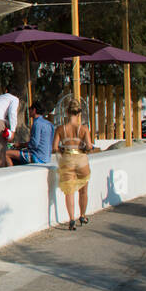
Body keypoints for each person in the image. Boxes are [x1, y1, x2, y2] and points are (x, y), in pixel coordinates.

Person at [53, 99, 94, 231]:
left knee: (69, 191)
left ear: (66, 112)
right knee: (83, 190)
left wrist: (63, 150)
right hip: (81, 159)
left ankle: (71, 219)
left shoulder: (60, 129)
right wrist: (85, 149)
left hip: (67, 160)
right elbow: (89, 146)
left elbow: (54, 147)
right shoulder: (83, 129)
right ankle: (82, 215)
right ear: (79, 113)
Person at [6, 100, 54, 166]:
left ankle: (10, 173)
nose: (29, 111)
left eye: (30, 109)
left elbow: (34, 144)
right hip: (47, 158)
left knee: (7, 153)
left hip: (37, 157)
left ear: (34, 110)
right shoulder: (49, 124)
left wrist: (20, 145)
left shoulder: (37, 123)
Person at [0, 81, 20, 167]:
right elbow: (12, 114)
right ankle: (0, 175)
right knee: (1, 152)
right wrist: (13, 131)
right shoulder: (14, 99)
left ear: (6, 90)